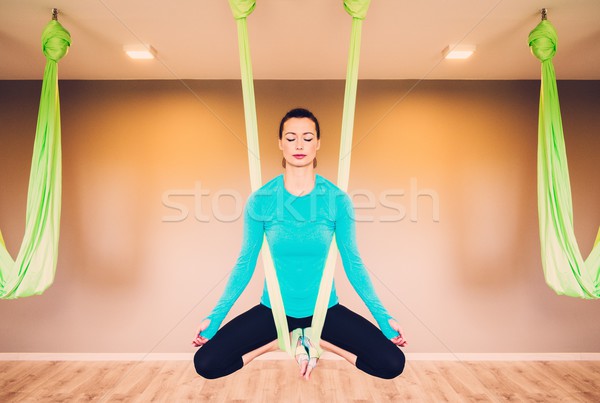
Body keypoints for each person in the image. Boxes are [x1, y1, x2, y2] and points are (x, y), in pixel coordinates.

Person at [192, 108, 407, 381]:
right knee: (207, 363)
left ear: (318, 143)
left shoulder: (336, 200)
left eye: (307, 138)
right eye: (291, 138)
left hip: (324, 311)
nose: (299, 145)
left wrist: (383, 317)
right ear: (280, 143)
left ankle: (318, 341)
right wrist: (215, 317)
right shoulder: (261, 200)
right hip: (274, 311)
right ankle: (285, 341)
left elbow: (353, 264)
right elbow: (245, 264)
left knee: (392, 363)